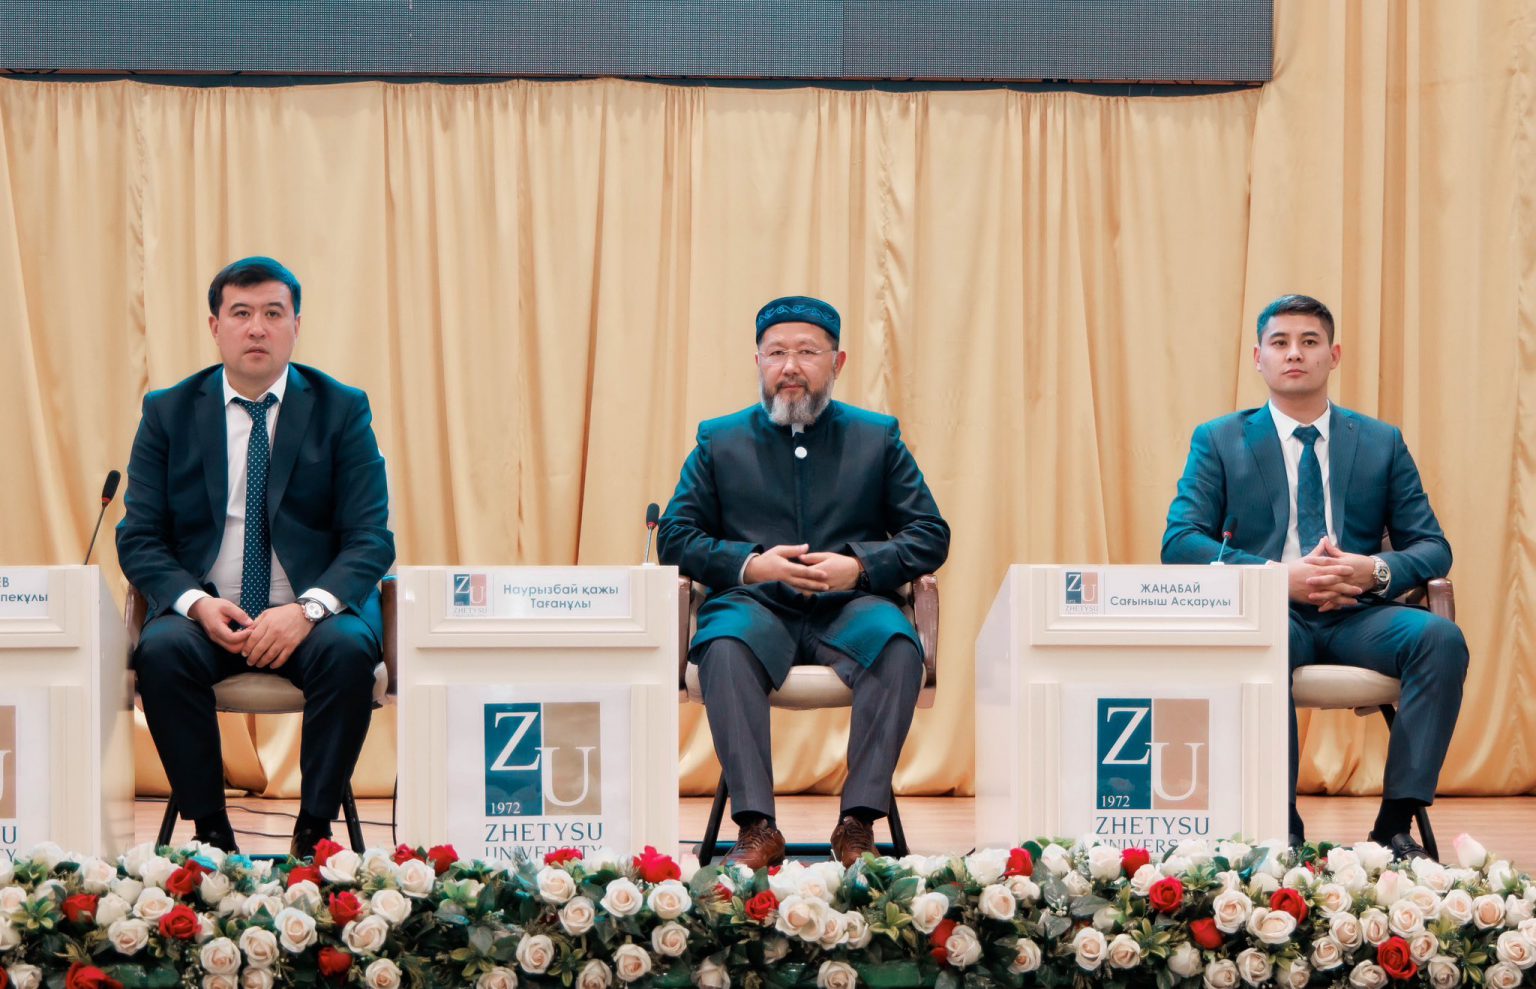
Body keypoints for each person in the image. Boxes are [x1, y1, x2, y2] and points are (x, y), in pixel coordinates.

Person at [1162, 293, 1466, 859]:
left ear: (1334, 355)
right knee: (1264, 643)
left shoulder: (1380, 441)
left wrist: (1372, 570)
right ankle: (1282, 828)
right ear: (1258, 358)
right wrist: (1278, 577)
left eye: (1309, 342)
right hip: (1271, 613)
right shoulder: (1219, 439)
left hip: (1359, 615)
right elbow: (1180, 543)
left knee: (1440, 639)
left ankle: (1394, 825)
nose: (1294, 353)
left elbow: (1433, 546)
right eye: (1279, 343)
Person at [658, 295, 950, 869]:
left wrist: (858, 566)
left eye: (807, 352)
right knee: (723, 645)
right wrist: (752, 564)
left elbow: (930, 534)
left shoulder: (876, 438)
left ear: (837, 363)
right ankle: (756, 828)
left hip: (849, 608)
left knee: (897, 646)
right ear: (758, 362)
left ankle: (858, 825)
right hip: (753, 605)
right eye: (776, 353)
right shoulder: (719, 440)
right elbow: (675, 536)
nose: (790, 366)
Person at [117, 256, 394, 858]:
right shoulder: (168, 412)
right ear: (215, 327)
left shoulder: (342, 408)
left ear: (297, 325)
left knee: (348, 652)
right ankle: (211, 836)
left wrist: (308, 610)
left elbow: (371, 537)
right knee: (161, 653)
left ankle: (314, 835)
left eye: (273, 313)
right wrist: (196, 605)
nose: (257, 328)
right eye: (241, 313)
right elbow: (139, 537)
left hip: (310, 617)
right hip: (209, 616)